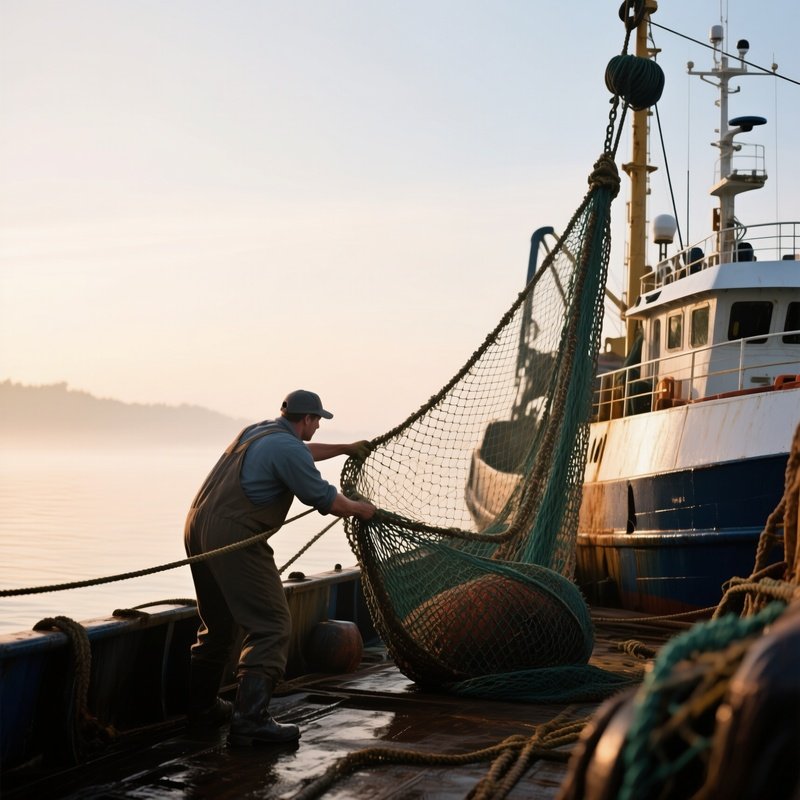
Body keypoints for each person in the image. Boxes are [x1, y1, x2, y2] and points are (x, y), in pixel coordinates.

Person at [184, 389, 376, 746]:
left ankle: (202, 710)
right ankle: (250, 721)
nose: (319, 427)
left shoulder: (258, 432)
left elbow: (302, 454)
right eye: (318, 420)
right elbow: (329, 501)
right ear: (307, 419)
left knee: (218, 624)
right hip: (234, 535)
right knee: (272, 625)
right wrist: (363, 510)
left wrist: (345, 448)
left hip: (197, 526)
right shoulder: (287, 448)